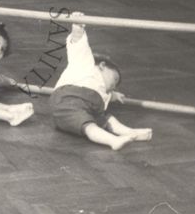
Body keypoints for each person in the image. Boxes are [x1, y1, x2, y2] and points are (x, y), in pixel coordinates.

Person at [50, 12, 152, 149]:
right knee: (88, 125)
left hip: (92, 107)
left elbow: (106, 94)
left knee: (107, 118)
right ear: (102, 66)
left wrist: (114, 95)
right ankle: (112, 140)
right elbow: (78, 45)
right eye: (115, 79)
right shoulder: (85, 64)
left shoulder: (103, 91)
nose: (113, 86)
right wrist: (77, 26)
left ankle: (130, 132)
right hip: (68, 99)